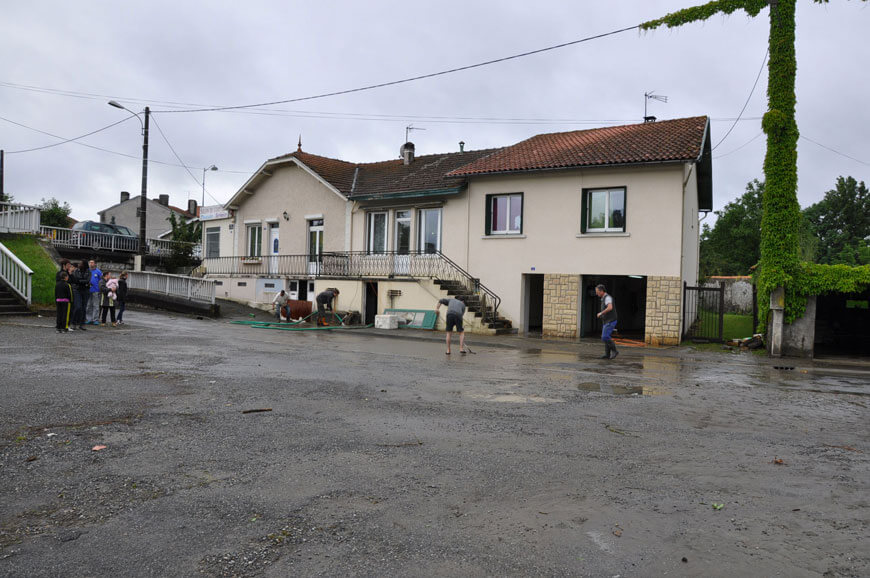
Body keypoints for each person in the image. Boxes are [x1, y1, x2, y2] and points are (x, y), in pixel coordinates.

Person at [595, 284, 618, 360]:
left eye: (597, 292)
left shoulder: (607, 297)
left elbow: (610, 307)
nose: (596, 293)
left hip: (611, 320)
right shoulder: (604, 298)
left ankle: (615, 351)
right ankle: (607, 354)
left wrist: (601, 313)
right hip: (606, 321)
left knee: (605, 336)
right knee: (606, 337)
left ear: (601, 291)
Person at [71, 260, 89, 330]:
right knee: (78, 307)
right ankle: (73, 323)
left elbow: (88, 280)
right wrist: (82, 281)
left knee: (84, 308)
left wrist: (79, 281)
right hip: (77, 290)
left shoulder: (88, 272)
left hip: (85, 290)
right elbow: (75, 280)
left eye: (80, 263)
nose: (79, 264)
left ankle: (82, 324)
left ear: (84, 265)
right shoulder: (76, 271)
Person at [86, 259, 102, 324]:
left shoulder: (98, 272)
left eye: (92, 262)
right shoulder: (87, 271)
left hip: (96, 290)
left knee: (96, 305)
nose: (90, 264)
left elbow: (101, 281)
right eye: (90, 262)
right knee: (88, 305)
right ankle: (88, 319)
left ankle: (95, 319)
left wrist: (100, 289)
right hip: (88, 290)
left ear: (95, 264)